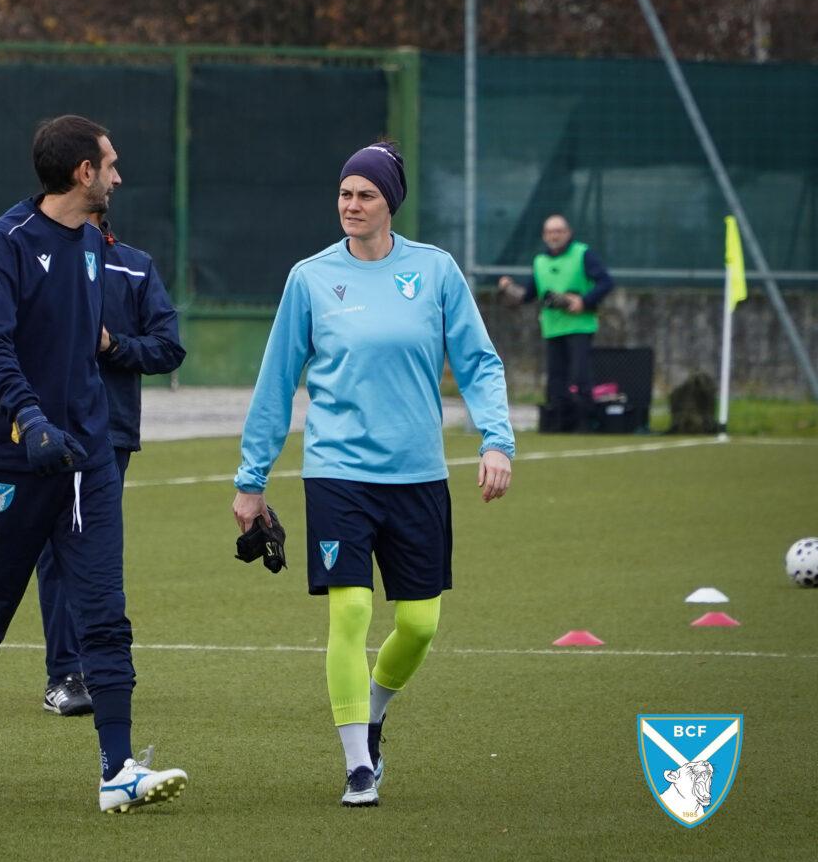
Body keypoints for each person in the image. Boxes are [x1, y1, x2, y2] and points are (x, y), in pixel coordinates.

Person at [232, 141, 514, 809]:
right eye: (345, 193)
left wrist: (496, 440)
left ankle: (375, 711)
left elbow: (479, 362)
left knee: (419, 623)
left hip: (418, 474)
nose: (351, 205)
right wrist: (251, 478)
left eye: (365, 194)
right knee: (353, 609)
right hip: (338, 474)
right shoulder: (309, 278)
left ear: (391, 203)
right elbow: (276, 382)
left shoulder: (435, 271)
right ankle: (358, 764)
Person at [0, 114, 188, 813]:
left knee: (105, 616)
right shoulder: (8, 241)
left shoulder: (90, 243)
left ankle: (118, 769)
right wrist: (31, 419)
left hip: (88, 465)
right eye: (110, 164)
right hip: (13, 466)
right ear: (84, 173)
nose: (117, 176)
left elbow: (84, 356)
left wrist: (83, 433)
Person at [34, 213, 185, 716]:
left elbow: (168, 347)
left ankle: (90, 669)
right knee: (54, 549)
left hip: (108, 433)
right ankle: (65, 673)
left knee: (89, 550)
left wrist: (112, 344)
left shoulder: (134, 266)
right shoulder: (32, 255)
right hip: (45, 430)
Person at [497, 214, 615, 432]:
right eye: (550, 232)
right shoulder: (540, 261)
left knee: (580, 377)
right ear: (544, 236)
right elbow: (529, 294)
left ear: (568, 233)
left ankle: (586, 424)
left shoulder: (582, 253)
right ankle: (559, 425)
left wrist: (584, 301)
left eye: (559, 231)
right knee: (556, 380)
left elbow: (606, 282)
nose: (555, 236)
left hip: (579, 326)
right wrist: (508, 288)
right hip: (552, 328)